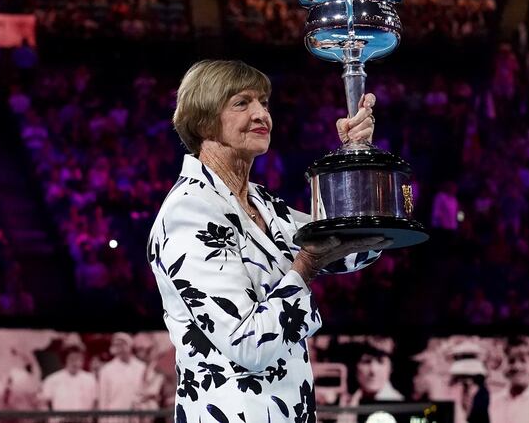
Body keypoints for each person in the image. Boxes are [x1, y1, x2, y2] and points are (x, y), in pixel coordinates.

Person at [147, 60, 390, 421]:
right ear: (202, 121)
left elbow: (356, 248)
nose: (262, 113)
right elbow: (249, 343)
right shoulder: (189, 212)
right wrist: (306, 264)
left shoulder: (262, 202)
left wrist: (357, 155)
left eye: (263, 101)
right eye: (241, 103)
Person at [41, 345, 98, 422]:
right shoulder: (52, 379)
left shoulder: (90, 379)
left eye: (78, 359)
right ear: (65, 360)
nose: (75, 362)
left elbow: (95, 403)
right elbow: (43, 403)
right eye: (72, 359)